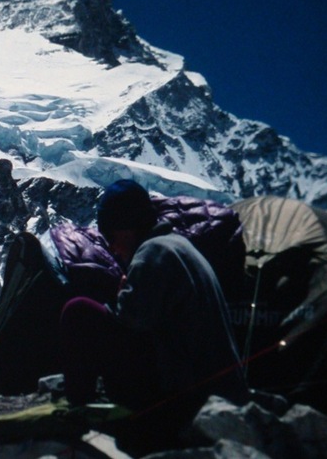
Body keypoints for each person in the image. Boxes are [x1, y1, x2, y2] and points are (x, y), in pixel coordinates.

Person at [60, 179, 247, 453]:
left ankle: (78, 410)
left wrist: (122, 293)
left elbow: (131, 320)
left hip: (189, 400)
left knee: (78, 310)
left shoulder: (153, 251)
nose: (112, 247)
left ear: (126, 227)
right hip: (216, 392)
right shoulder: (178, 245)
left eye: (110, 235)